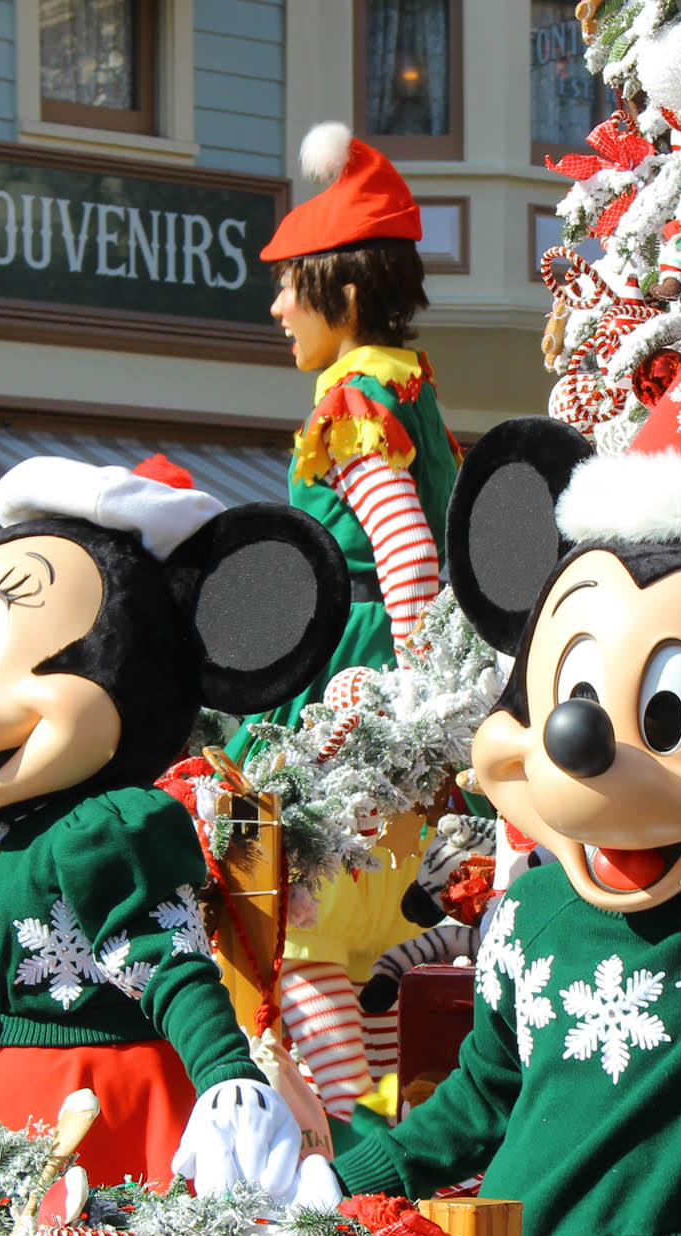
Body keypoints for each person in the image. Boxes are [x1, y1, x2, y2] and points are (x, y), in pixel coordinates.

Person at [237, 122, 467, 1132]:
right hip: (390, 699)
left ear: (342, 285)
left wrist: (406, 712)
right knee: (361, 950)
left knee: (301, 949)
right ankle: (387, 1142)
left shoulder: (354, 389)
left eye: (293, 281)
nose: (278, 303)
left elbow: (406, 552)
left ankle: (349, 1165)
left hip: (351, 692)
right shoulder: (406, 381)